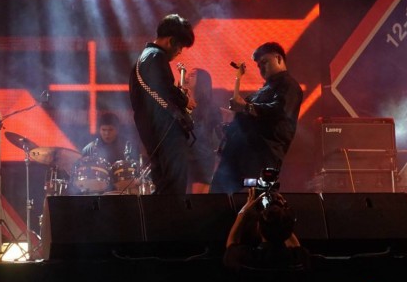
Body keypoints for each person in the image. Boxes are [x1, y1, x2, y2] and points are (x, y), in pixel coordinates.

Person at [211, 42, 303, 194]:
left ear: (278, 58)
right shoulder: (263, 90)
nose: (261, 68)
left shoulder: (289, 85)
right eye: (259, 65)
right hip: (240, 157)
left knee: (251, 199)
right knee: (219, 198)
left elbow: (280, 110)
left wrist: (246, 107)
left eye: (264, 62)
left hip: (259, 158)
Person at [129, 14, 196, 195]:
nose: (180, 51)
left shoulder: (145, 58)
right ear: (170, 41)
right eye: (180, 46)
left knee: (165, 182)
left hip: (154, 131)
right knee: (173, 184)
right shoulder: (156, 57)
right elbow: (163, 88)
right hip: (165, 131)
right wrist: (185, 100)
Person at [224, 188, 310, 282]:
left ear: (259, 228)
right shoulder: (298, 260)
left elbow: (231, 244)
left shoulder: (250, 260)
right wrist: (282, 212)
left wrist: (244, 212)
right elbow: (295, 246)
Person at [185, 68, 222, 193]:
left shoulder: (210, 107)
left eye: (192, 75)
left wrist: (218, 160)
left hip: (202, 159)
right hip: (183, 158)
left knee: (197, 199)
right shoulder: (181, 104)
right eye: (188, 74)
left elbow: (220, 135)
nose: (187, 77)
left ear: (202, 81)